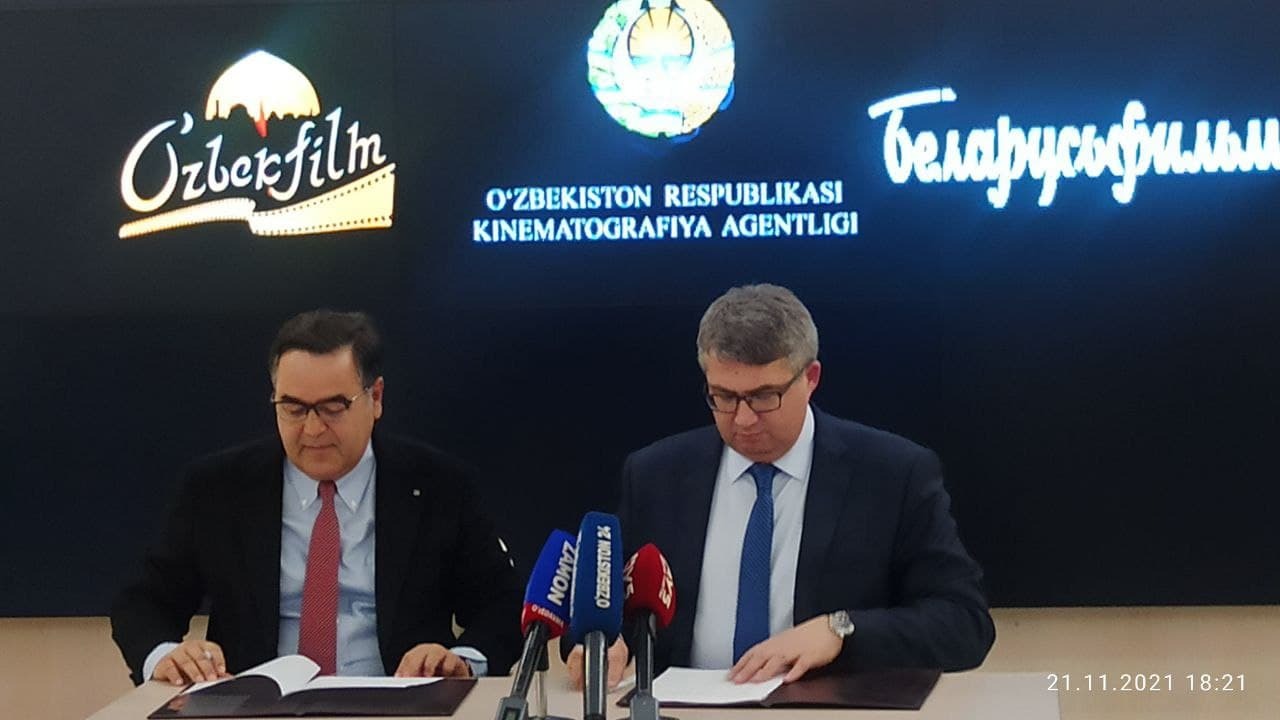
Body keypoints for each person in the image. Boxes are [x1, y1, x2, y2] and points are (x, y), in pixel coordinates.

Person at [568, 284, 994, 687]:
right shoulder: (655, 475)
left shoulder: (893, 474)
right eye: (723, 397)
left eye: (763, 396)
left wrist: (840, 630)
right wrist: (599, 645)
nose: (743, 419)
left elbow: (964, 623)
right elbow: (602, 609)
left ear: (811, 378)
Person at [111, 310, 523, 685]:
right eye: (292, 408)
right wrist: (165, 656)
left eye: (333, 407)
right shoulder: (218, 487)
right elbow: (144, 601)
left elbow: (502, 605)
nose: (312, 429)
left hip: (401, 703)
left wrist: (461, 661)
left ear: (376, 398)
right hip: (254, 706)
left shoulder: (439, 485)